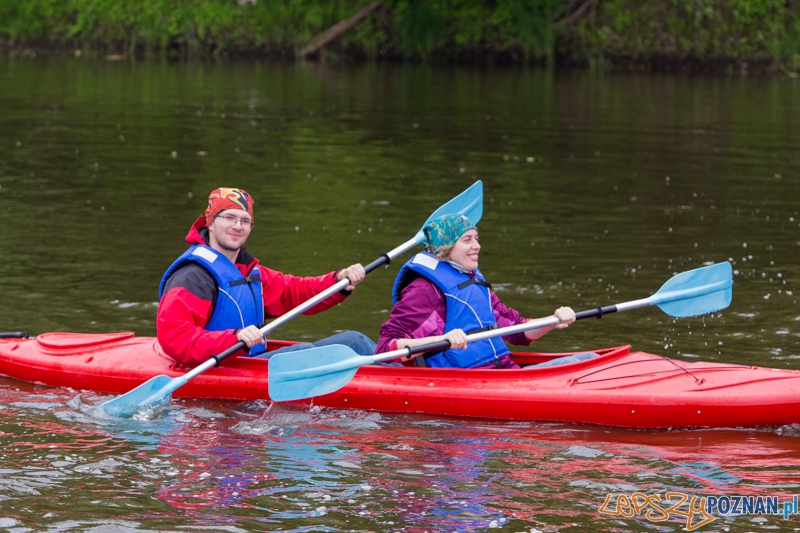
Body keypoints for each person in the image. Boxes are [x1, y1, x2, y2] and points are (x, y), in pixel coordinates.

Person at [157, 187, 376, 367]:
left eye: (245, 221)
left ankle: (403, 365)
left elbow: (296, 292)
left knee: (353, 340)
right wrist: (235, 338)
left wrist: (339, 280)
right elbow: (175, 338)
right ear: (210, 222)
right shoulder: (192, 277)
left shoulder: (248, 271)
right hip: (220, 366)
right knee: (306, 352)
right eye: (229, 217)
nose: (237, 226)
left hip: (249, 362)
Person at [376, 214, 576, 369]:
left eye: (477, 238)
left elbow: (517, 330)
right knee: (584, 362)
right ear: (447, 248)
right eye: (467, 240)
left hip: (502, 369)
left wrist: (554, 320)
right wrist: (442, 340)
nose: (477, 246)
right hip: (463, 378)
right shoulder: (425, 290)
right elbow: (386, 348)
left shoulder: (471, 280)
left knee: (584, 360)